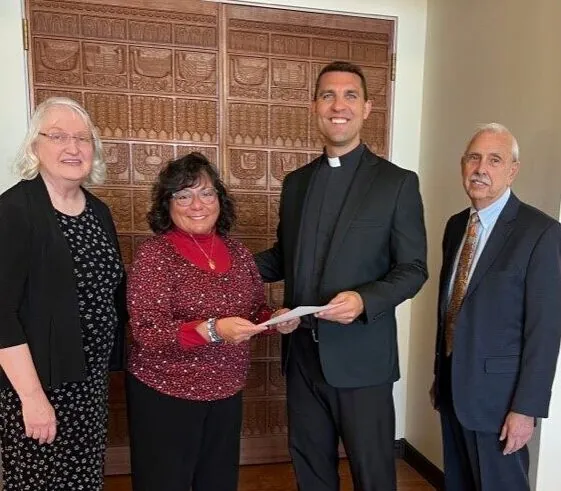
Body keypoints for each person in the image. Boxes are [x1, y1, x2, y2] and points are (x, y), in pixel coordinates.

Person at [255, 61, 428, 491]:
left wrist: (365, 300)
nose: (339, 106)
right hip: (301, 357)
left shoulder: (397, 183)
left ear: (367, 108)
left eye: (350, 95)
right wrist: (222, 266)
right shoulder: (296, 184)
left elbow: (413, 269)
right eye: (328, 95)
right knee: (311, 471)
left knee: (373, 475)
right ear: (314, 106)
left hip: (362, 359)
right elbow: (283, 257)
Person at [125, 152, 298, 491]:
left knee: (217, 481)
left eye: (206, 193)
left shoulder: (238, 252)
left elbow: (253, 312)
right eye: (183, 195)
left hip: (226, 391)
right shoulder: (154, 254)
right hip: (166, 393)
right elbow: (147, 331)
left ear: (219, 199)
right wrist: (213, 330)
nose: (197, 204)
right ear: (167, 204)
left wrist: (276, 320)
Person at [0, 97, 127, 490]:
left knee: (84, 479)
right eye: (57, 136)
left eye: (82, 139)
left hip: (88, 384)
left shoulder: (99, 212)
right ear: (35, 146)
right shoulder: (15, 209)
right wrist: (33, 398)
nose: (73, 147)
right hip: (38, 387)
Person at [431, 123, 561, 490]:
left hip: (500, 404)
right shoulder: (456, 226)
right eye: (473, 158)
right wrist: (440, 375)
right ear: (462, 164)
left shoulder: (541, 233)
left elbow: (545, 330)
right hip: (453, 392)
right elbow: (451, 307)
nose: (480, 169)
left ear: (512, 170)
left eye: (494, 160)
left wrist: (526, 409)